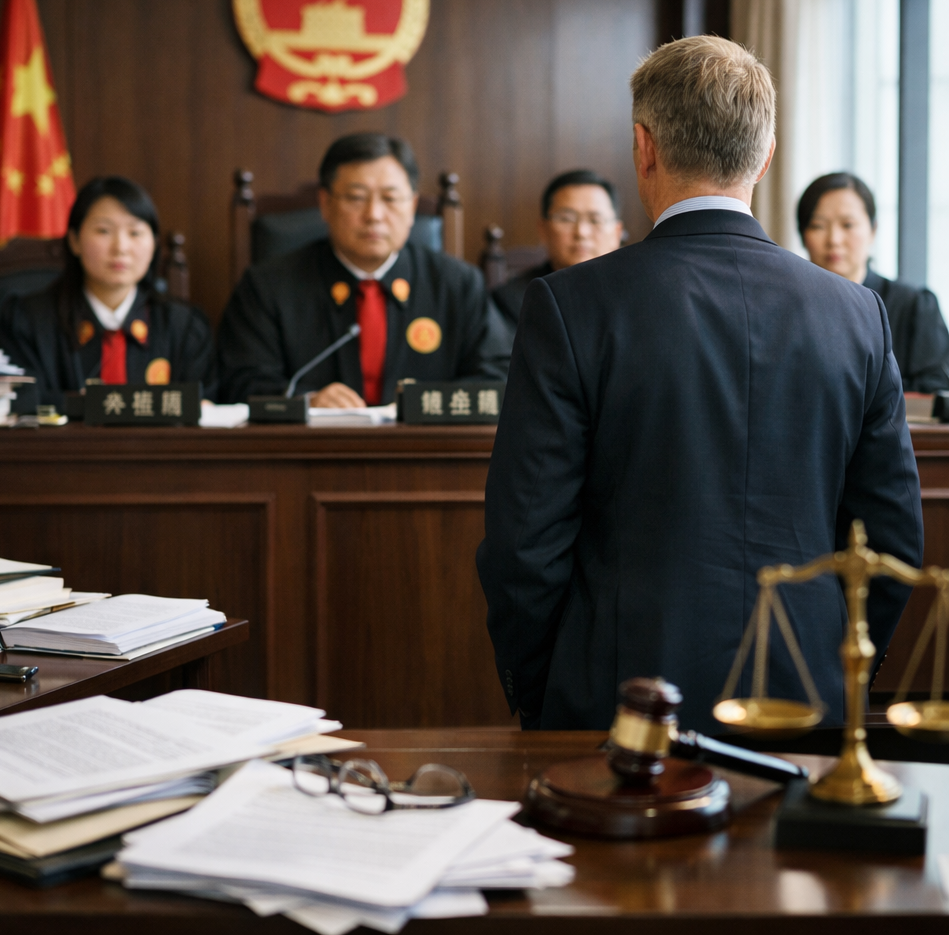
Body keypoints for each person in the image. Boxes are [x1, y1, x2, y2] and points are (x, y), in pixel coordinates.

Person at [476, 36, 923, 734]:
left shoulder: (571, 306)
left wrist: (539, 685)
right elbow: (892, 538)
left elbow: (524, 540)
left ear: (642, 146)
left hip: (619, 692)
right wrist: (848, 664)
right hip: (808, 689)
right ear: (766, 155)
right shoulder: (857, 312)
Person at [217, 133, 512, 406]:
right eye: (356, 197)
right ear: (325, 204)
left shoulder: (458, 285)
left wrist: (427, 401)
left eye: (390, 198)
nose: (373, 215)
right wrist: (306, 400)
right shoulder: (267, 286)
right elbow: (240, 381)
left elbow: (499, 378)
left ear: (411, 207)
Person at [0, 176, 216, 410]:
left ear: (153, 245)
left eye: (135, 233)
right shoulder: (25, 322)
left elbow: (206, 408)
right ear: (74, 240)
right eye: (103, 231)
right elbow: (16, 400)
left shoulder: (185, 327)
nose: (120, 247)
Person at [798, 172, 949, 392]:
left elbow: (936, 388)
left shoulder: (914, 306)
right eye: (818, 226)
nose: (834, 240)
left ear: (873, 229)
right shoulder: (790, 309)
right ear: (803, 235)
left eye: (848, 225)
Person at [491, 169, 625, 333]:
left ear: (617, 233)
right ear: (543, 230)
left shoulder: (637, 296)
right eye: (566, 218)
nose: (581, 232)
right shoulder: (514, 299)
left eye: (595, 220)